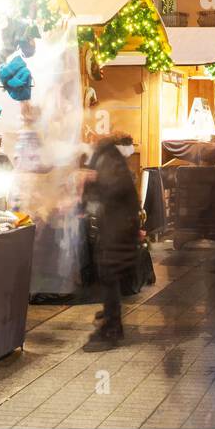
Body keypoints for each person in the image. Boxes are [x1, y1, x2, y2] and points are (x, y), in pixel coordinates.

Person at [82, 133, 144, 350]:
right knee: (108, 274)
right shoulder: (108, 160)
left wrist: (94, 182)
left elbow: (112, 190)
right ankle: (109, 319)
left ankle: (112, 326)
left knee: (109, 273)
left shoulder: (107, 162)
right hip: (118, 226)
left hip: (119, 228)